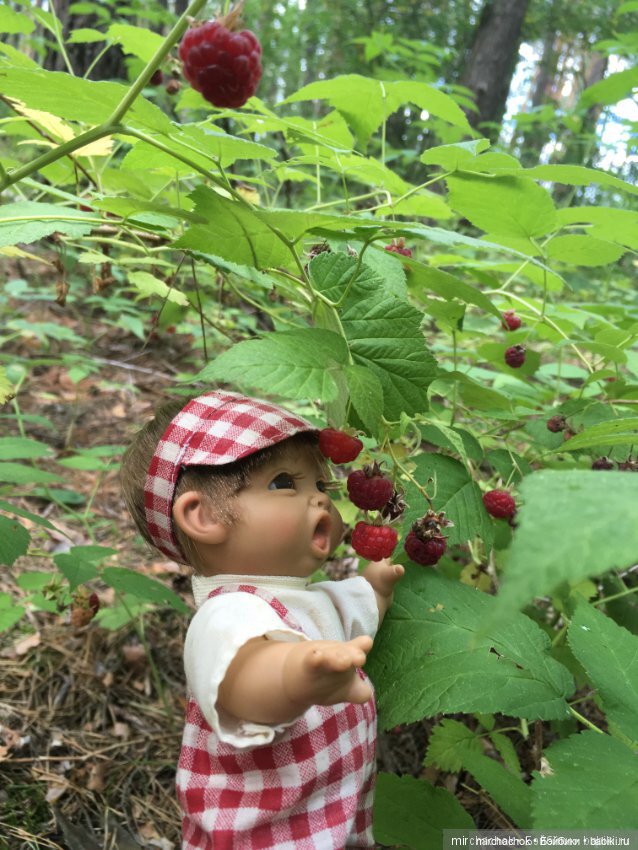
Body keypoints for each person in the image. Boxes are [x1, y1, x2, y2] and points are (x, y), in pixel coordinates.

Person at [120, 389, 404, 850]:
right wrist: (297, 676)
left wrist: (377, 587)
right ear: (203, 516)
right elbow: (249, 683)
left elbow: (352, 610)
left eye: (320, 486)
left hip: (329, 817)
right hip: (260, 836)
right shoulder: (228, 613)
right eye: (284, 483)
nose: (319, 502)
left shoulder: (307, 602)